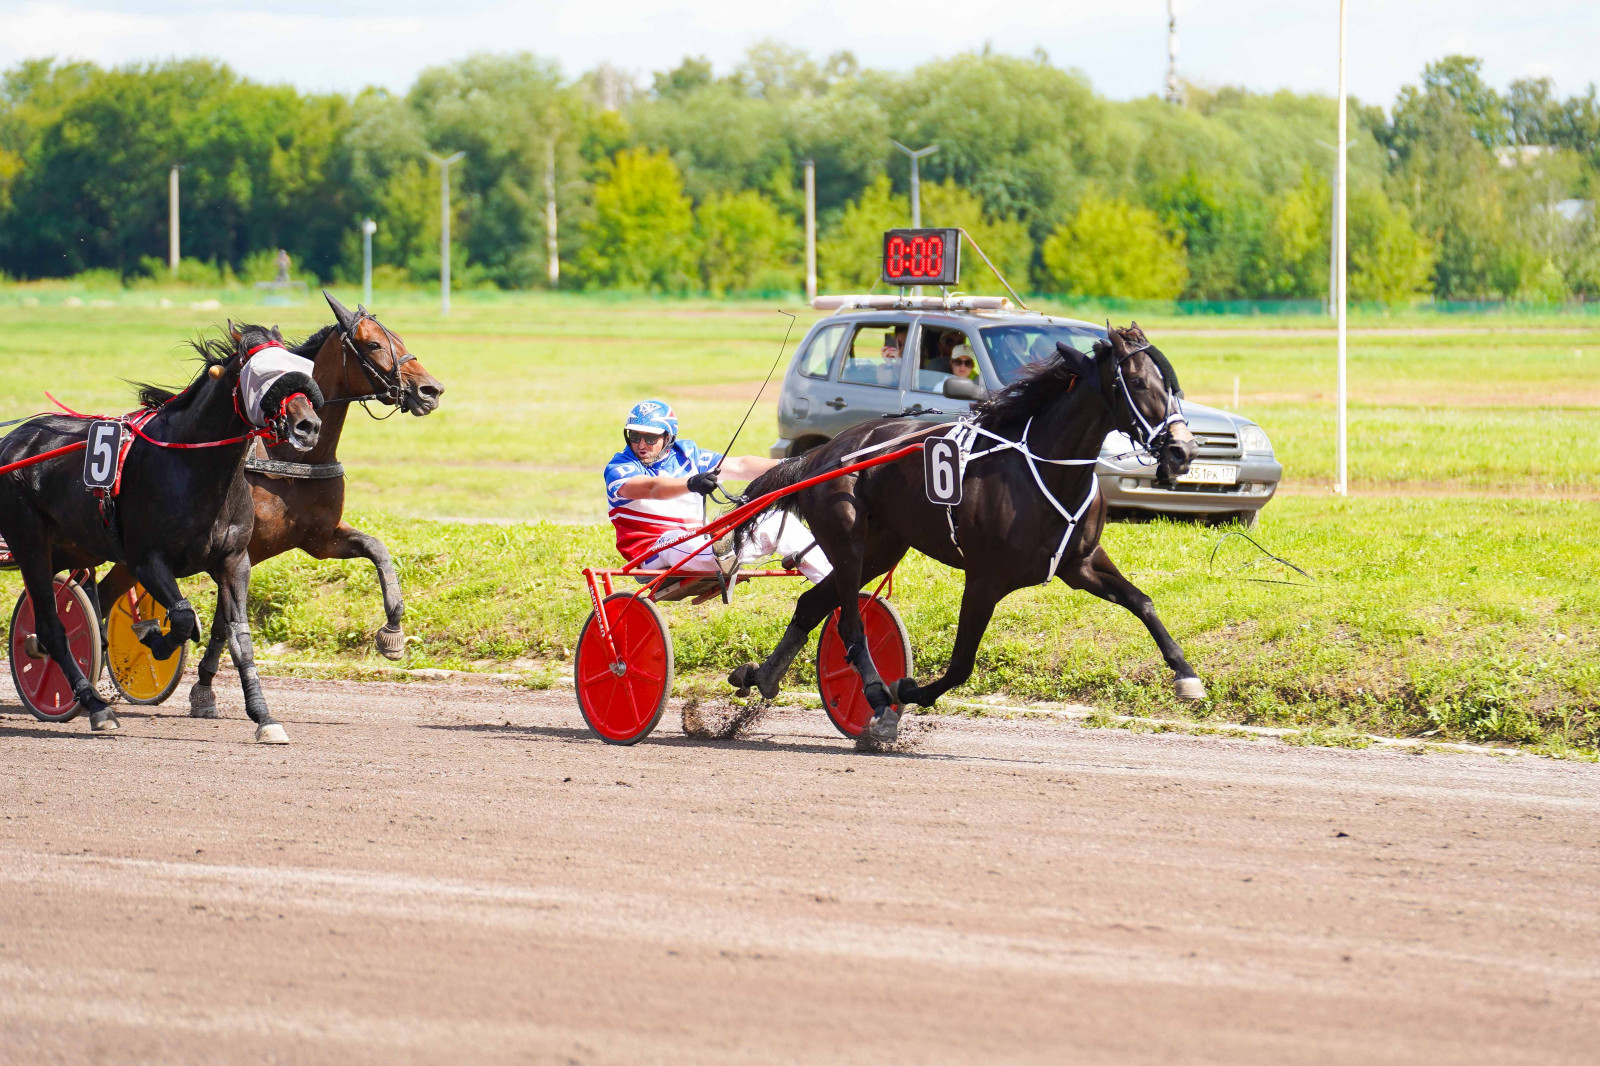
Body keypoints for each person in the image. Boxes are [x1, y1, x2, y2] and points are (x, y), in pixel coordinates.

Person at [604, 400, 832, 584]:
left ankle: (834, 587)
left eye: (651, 438)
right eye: (635, 436)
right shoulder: (620, 467)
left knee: (780, 520)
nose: (641, 445)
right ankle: (722, 550)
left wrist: (797, 464)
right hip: (653, 550)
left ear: (668, 437)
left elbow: (741, 466)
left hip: (697, 542)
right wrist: (691, 483)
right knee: (676, 539)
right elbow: (652, 489)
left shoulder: (687, 455)